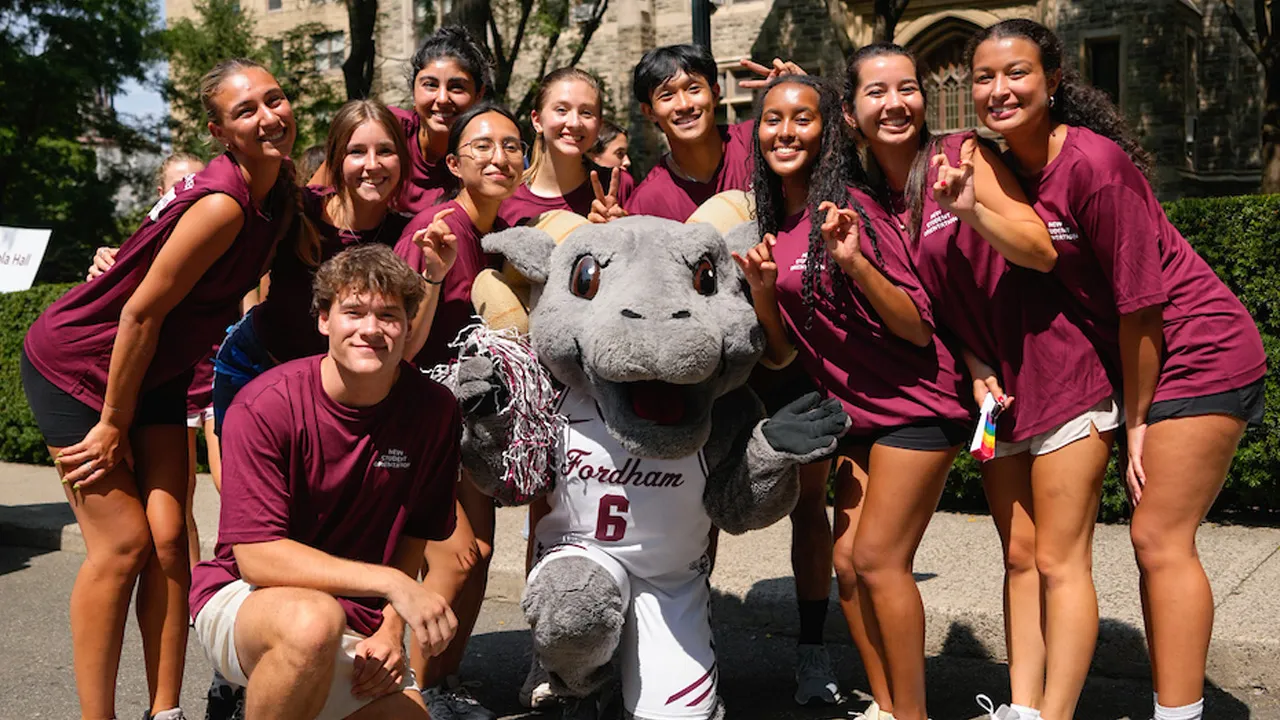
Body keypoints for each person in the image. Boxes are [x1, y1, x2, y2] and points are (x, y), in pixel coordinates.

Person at [967, 20, 1267, 720]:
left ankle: (1179, 714)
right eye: (984, 76)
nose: (998, 89)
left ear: (1054, 81)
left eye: (1017, 73)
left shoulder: (1094, 167)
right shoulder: (1008, 168)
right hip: (1148, 359)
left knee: (1158, 535)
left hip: (1199, 352)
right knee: (1150, 537)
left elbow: (1142, 308)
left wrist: (1136, 420)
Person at [835, 39, 1121, 720]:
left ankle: (1054, 714)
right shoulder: (872, 199)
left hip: (1060, 370)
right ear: (851, 114)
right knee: (1019, 556)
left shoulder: (961, 154)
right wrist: (974, 366)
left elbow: (1040, 248)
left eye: (907, 87)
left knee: (1058, 561)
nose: (896, 102)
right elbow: (937, 310)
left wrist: (970, 209)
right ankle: (1021, 706)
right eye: (876, 92)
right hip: (999, 396)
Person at [21, 57, 298, 720]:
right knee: (122, 548)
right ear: (220, 131)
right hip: (84, 365)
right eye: (245, 111)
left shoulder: (278, 191)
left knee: (174, 539)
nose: (268, 117)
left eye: (274, 98)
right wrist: (112, 421)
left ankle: (166, 711)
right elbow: (138, 313)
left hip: (156, 369)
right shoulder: (224, 205)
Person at [735, 75, 973, 720]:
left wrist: (855, 262)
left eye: (803, 119)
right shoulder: (776, 224)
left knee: (876, 560)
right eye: (772, 120)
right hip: (857, 417)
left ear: (828, 131)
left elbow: (917, 327)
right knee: (845, 563)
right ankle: (890, 706)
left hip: (919, 404)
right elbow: (783, 355)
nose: (786, 132)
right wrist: (761, 288)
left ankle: (913, 714)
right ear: (756, 134)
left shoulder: (853, 208)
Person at [189, 243, 461, 720]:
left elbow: (415, 529)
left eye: (389, 315)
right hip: (245, 598)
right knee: (312, 622)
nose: (371, 330)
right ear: (324, 319)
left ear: (409, 324)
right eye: (353, 312)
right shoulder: (265, 404)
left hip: (359, 614)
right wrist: (393, 584)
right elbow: (256, 556)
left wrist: (390, 628)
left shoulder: (436, 410)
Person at [394, 102, 522, 720]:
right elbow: (402, 342)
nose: (499, 156)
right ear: (453, 161)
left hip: (472, 423)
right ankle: (411, 693)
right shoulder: (438, 226)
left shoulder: (495, 229)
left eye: (512, 145)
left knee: (482, 559)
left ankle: (444, 684)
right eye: (482, 146)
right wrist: (435, 278)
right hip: (421, 419)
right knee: (459, 556)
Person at [212, 98, 414, 428]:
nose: (372, 164)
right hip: (255, 366)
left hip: (339, 394)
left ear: (402, 161)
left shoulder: (407, 234)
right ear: (336, 159)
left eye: (386, 151)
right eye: (357, 151)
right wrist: (126, 257)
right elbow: (212, 254)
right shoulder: (299, 210)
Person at [85, 152, 222, 570]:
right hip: (170, 385)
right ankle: (197, 588)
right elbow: (117, 308)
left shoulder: (226, 233)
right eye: (179, 185)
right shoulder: (139, 246)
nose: (189, 193)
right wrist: (101, 268)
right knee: (176, 500)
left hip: (217, 377)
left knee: (232, 485)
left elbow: (250, 308)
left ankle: (234, 582)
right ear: (162, 195)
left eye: (196, 184)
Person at [624, 44, 755, 221]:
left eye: (693, 89)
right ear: (649, 112)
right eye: (667, 96)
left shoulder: (756, 143)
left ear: (715, 94)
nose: (684, 105)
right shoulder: (647, 205)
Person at [497, 67, 633, 228]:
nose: (574, 122)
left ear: (599, 125)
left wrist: (621, 231)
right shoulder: (503, 197)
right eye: (561, 110)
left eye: (587, 113)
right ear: (537, 120)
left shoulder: (618, 186)